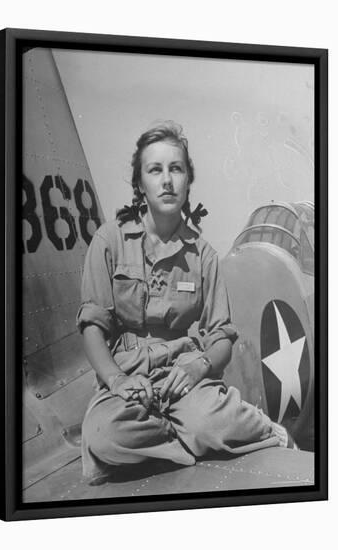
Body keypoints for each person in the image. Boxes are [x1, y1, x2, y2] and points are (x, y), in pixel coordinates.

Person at [76, 121, 295, 485]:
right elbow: (92, 326)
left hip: (183, 371)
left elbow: (221, 335)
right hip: (127, 374)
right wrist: (114, 380)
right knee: (105, 436)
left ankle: (264, 429)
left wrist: (199, 367)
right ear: (140, 184)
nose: (166, 180)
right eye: (155, 170)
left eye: (175, 169)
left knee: (214, 421)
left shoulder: (203, 254)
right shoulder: (108, 240)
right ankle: (191, 436)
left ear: (187, 180)